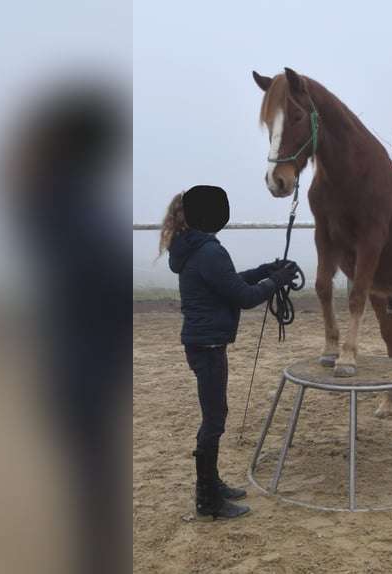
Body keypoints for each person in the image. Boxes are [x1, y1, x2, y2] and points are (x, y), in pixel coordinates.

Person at [158, 185, 298, 521]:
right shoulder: (208, 252)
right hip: (208, 345)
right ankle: (208, 501)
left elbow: (231, 282)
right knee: (214, 419)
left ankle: (211, 486)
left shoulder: (195, 249)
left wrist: (266, 270)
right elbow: (244, 296)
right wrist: (277, 281)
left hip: (202, 342)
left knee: (213, 415)